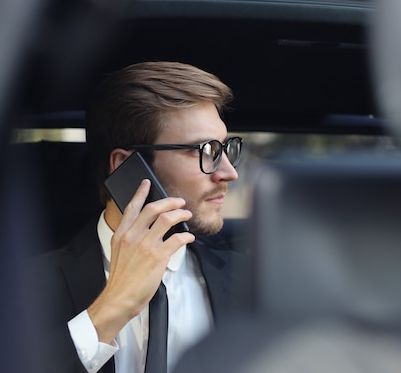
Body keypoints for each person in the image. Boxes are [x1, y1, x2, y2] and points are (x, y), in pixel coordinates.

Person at [31, 61, 253, 373]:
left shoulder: (253, 278)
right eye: (204, 150)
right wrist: (112, 307)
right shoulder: (27, 285)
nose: (229, 173)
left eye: (225, 148)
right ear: (126, 165)